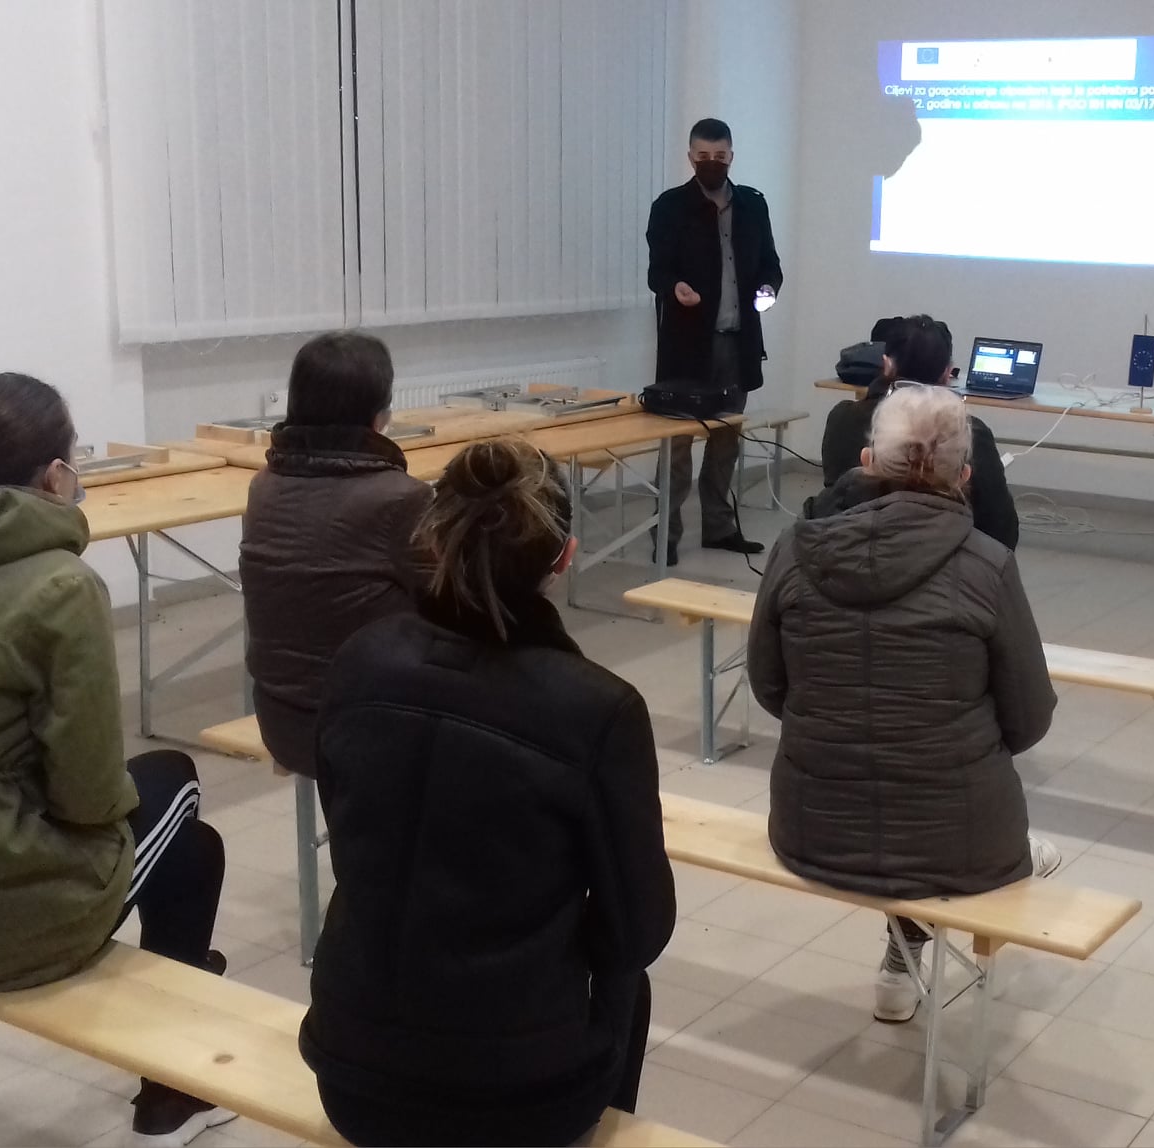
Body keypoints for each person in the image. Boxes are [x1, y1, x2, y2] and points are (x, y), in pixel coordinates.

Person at [0, 374, 231, 1147]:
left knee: (179, 826)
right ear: (55, 476)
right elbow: (88, 793)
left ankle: (176, 1061)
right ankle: (171, 1088)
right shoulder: (59, 587)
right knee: (189, 825)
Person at [299, 439, 677, 1147]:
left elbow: (352, 832)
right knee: (626, 984)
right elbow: (639, 929)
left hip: (351, 1074)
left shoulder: (360, 660)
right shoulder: (598, 708)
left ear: (433, 539)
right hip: (517, 1104)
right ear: (565, 558)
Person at [750, 385, 1059, 1023]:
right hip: (960, 842)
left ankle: (903, 954)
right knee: (964, 820)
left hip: (813, 830)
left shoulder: (794, 549)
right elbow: (1029, 719)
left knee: (906, 796)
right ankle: (903, 954)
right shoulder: (989, 565)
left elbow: (769, 687)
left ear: (867, 462)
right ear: (965, 477)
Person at [239, 331, 431, 780]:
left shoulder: (263, 486)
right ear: (378, 417)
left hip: (281, 721)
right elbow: (456, 609)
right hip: (364, 729)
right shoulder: (402, 498)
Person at [645, 116, 783, 563]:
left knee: (726, 441)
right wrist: (675, 288)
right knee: (678, 445)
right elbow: (657, 270)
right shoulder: (670, 206)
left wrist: (768, 288)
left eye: (719, 156)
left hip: (738, 343)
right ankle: (665, 535)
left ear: (731, 157)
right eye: (703, 156)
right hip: (687, 347)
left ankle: (720, 527)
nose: (711, 163)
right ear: (690, 158)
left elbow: (771, 263)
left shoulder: (753, 205)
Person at [818, 315, 1020, 549]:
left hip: (847, 549)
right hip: (947, 555)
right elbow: (1000, 529)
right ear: (947, 373)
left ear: (886, 364)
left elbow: (832, 503)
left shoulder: (843, 417)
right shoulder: (970, 432)